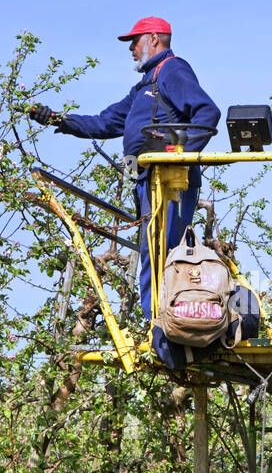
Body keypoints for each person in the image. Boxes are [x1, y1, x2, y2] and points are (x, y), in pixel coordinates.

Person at [29, 16, 221, 323]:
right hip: (150, 179)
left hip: (170, 179)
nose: (131, 48)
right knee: (153, 249)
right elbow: (105, 122)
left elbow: (207, 112)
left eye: (135, 41)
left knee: (162, 250)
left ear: (154, 39)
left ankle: (160, 325)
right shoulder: (145, 85)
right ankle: (158, 321)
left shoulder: (172, 70)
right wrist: (57, 119)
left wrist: (181, 153)